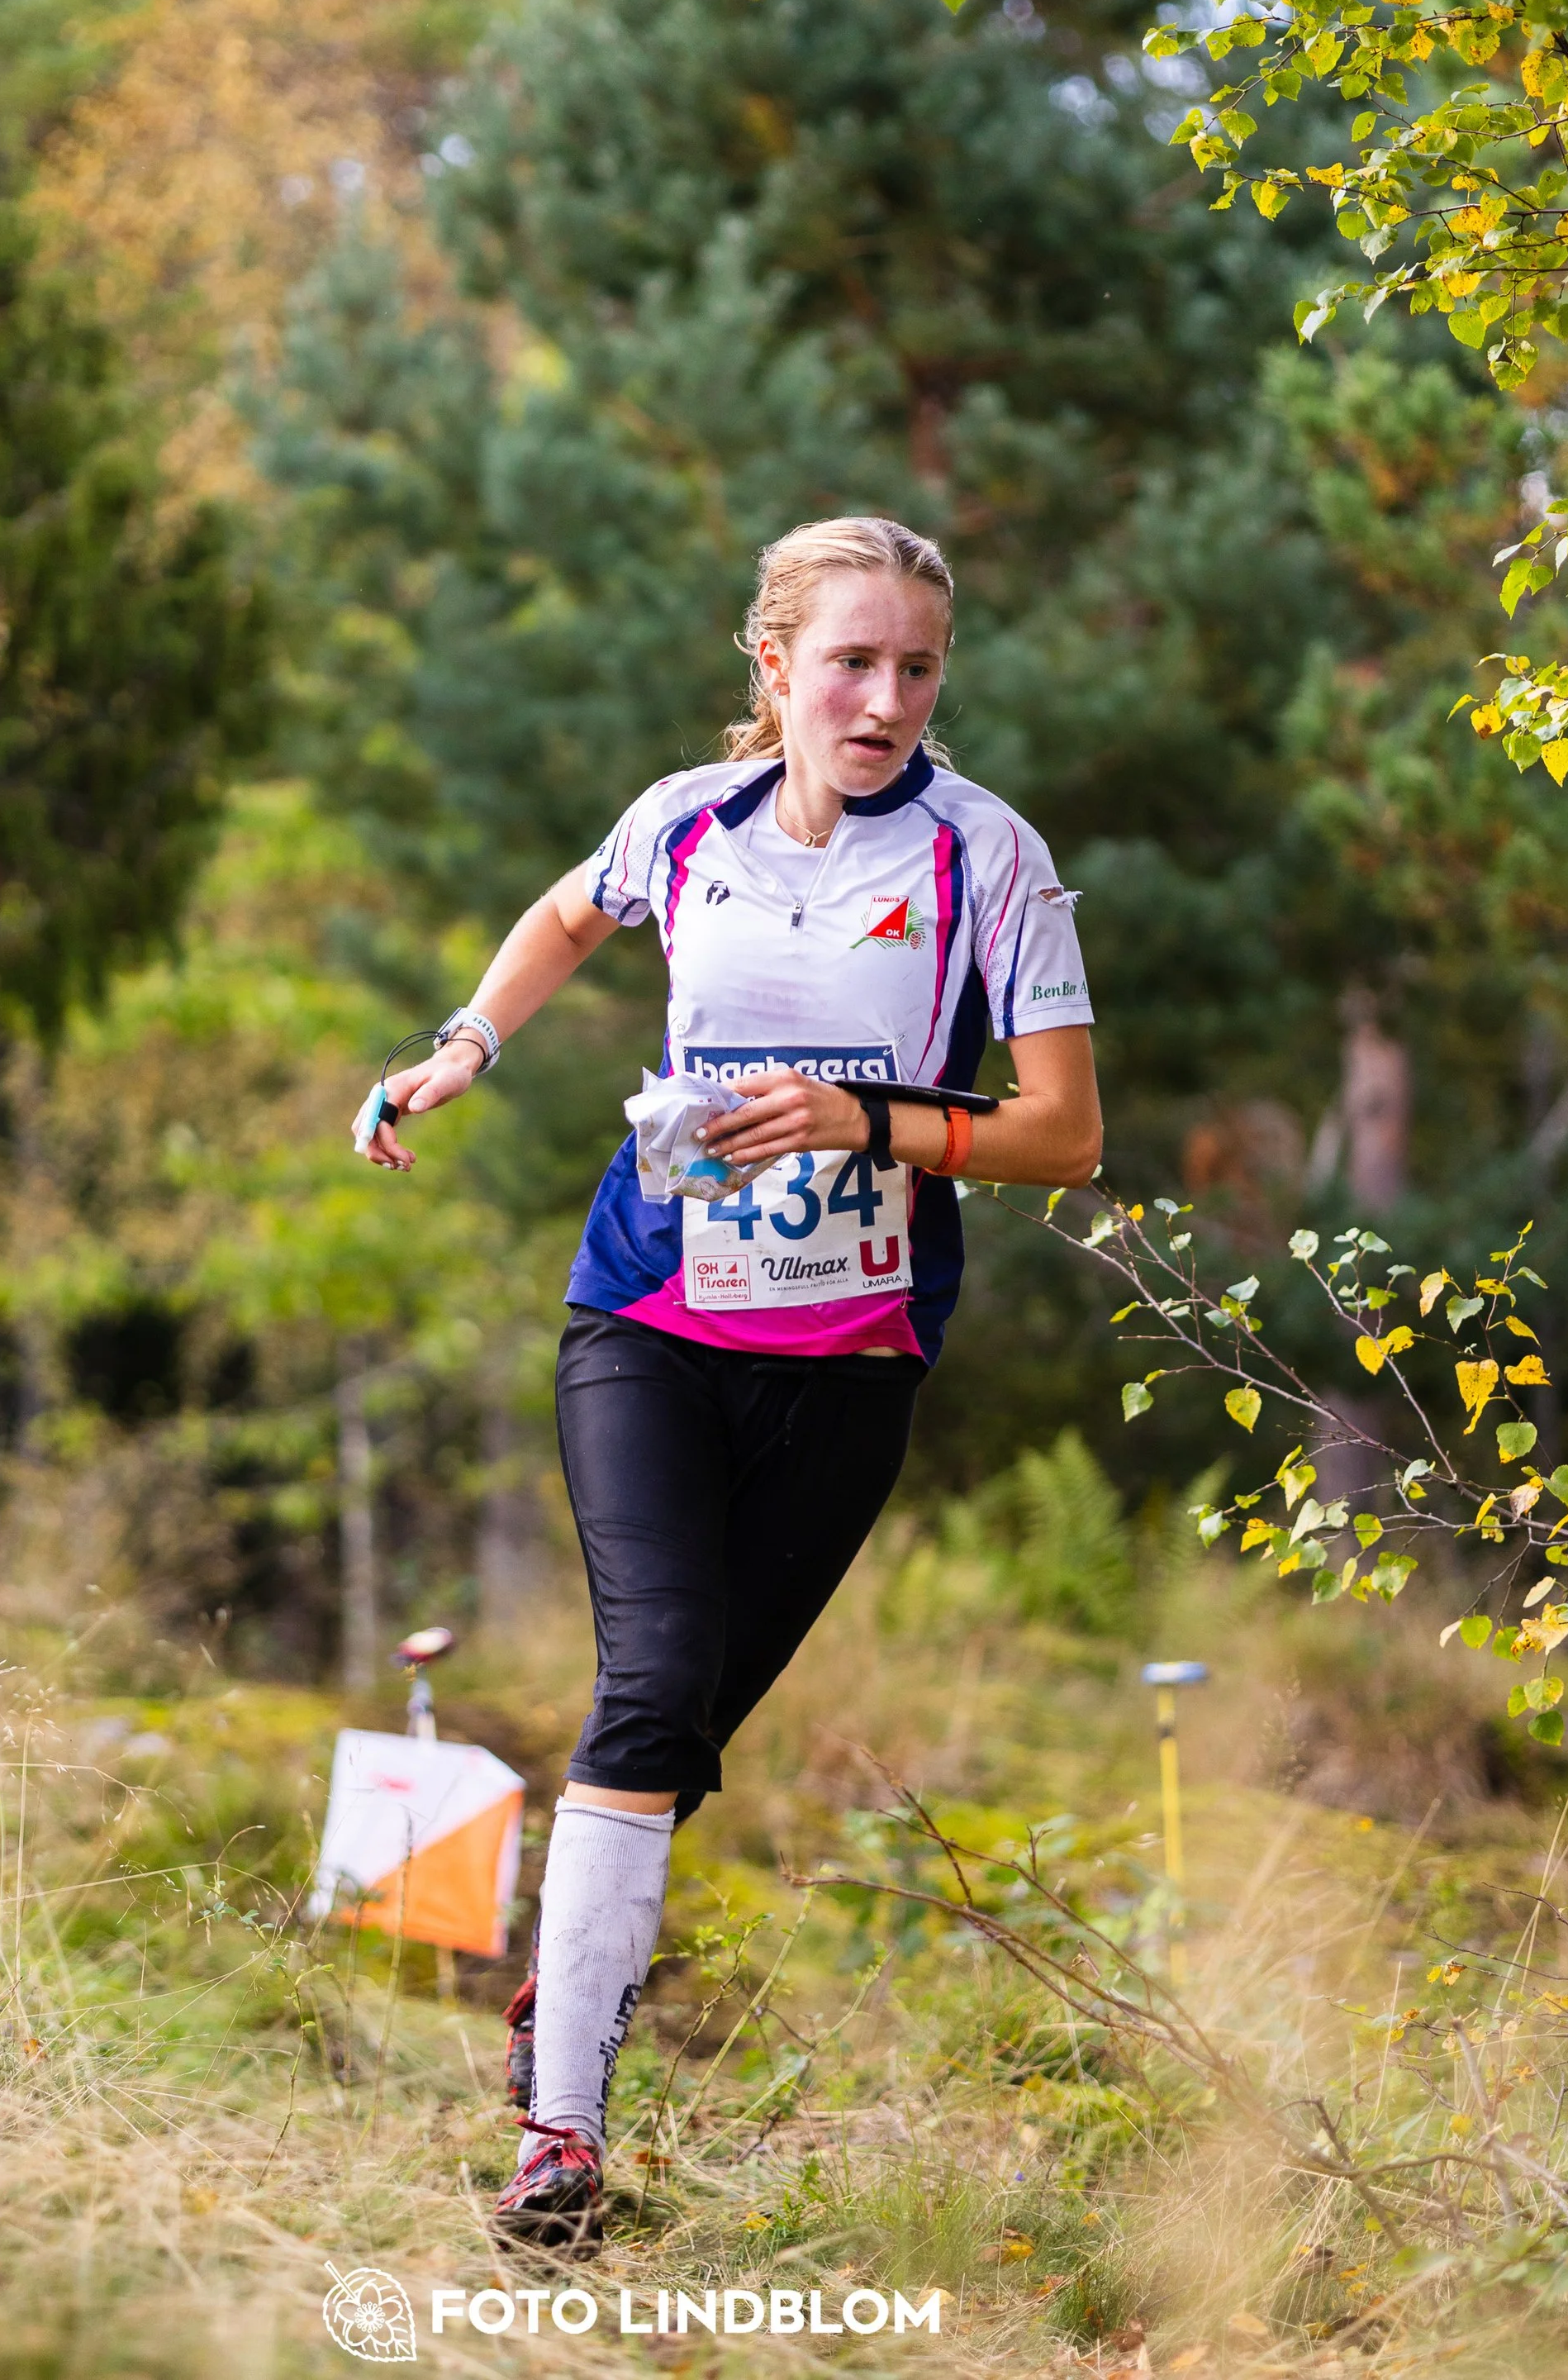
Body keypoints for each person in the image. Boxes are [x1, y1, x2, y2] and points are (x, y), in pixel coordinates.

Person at [354, 515, 1101, 2244]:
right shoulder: (683, 820)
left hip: (851, 1351)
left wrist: (866, 1119)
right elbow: (567, 913)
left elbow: (1064, 1134)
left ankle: (562, 1977)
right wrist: (465, 1044)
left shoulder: (990, 856)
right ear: (773, 665)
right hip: (648, 1313)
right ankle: (561, 2139)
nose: (885, 700)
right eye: (851, 662)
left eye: (917, 668)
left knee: (678, 1725)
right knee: (652, 1684)